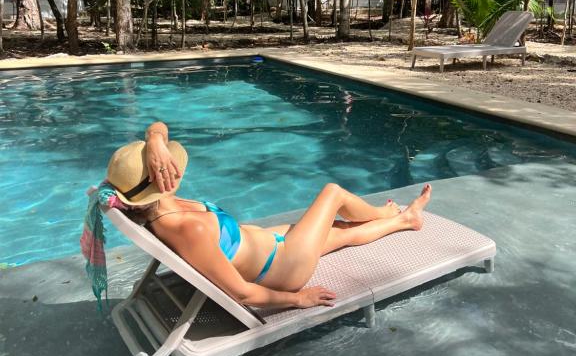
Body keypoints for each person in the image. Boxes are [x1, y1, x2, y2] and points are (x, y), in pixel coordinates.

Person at [98, 121, 432, 310]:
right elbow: (241, 293)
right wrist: (298, 299)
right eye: (163, 162)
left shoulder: (160, 206)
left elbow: (158, 126)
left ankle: (406, 220)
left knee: (342, 231)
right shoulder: (187, 228)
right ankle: (383, 211)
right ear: (160, 176)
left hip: (272, 247)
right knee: (333, 194)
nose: (170, 161)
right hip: (283, 268)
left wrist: (154, 140)